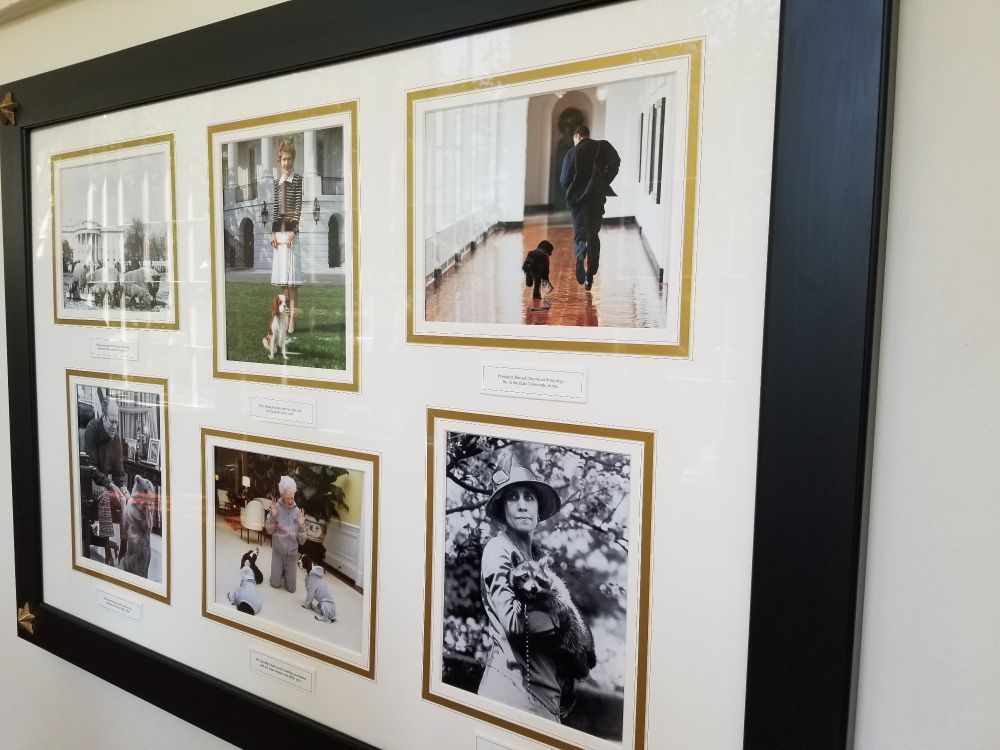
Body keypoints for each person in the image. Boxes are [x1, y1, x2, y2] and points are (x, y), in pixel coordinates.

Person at [477, 453, 566, 722]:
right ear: (503, 509)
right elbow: (515, 624)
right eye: (513, 498)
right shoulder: (498, 549)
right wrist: (561, 618)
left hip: (547, 701)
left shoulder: (540, 560)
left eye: (529, 497)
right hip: (512, 694)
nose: (522, 505)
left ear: (538, 508)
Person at [559, 125, 621, 291]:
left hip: (578, 201)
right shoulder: (602, 146)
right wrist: (603, 181)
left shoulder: (571, 153)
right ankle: (589, 276)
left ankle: (580, 252)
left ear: (578, 136)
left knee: (580, 232)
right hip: (596, 198)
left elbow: (564, 181)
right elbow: (615, 164)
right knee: (593, 234)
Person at [265, 139, 303, 349]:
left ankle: (292, 319)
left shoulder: (297, 180)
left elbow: (297, 207)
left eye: (289, 159)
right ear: (279, 161)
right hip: (279, 235)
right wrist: (272, 233)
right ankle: (282, 316)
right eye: (283, 159)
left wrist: (293, 232)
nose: (286, 163)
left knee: (292, 282)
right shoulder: (276, 182)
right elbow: (275, 209)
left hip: (291, 235)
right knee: (282, 281)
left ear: (292, 160)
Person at [82, 397, 130, 565]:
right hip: (87, 479)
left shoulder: (116, 439)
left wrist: (122, 486)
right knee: (103, 494)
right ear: (103, 417)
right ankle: (107, 546)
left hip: (102, 480)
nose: (114, 426)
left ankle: (125, 547)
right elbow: (92, 467)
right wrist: (110, 485)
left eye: (117, 422)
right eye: (111, 421)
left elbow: (118, 471)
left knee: (126, 498)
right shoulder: (91, 429)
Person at [264, 475, 306, 592]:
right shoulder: (275, 508)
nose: (290, 501)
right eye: (287, 498)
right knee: (275, 584)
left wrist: (302, 526)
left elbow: (302, 541)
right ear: (282, 495)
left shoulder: (298, 512)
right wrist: (272, 516)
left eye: (292, 498)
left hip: (292, 555)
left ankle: (285, 572)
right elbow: (269, 530)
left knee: (292, 589)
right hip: (278, 553)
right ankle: (279, 572)